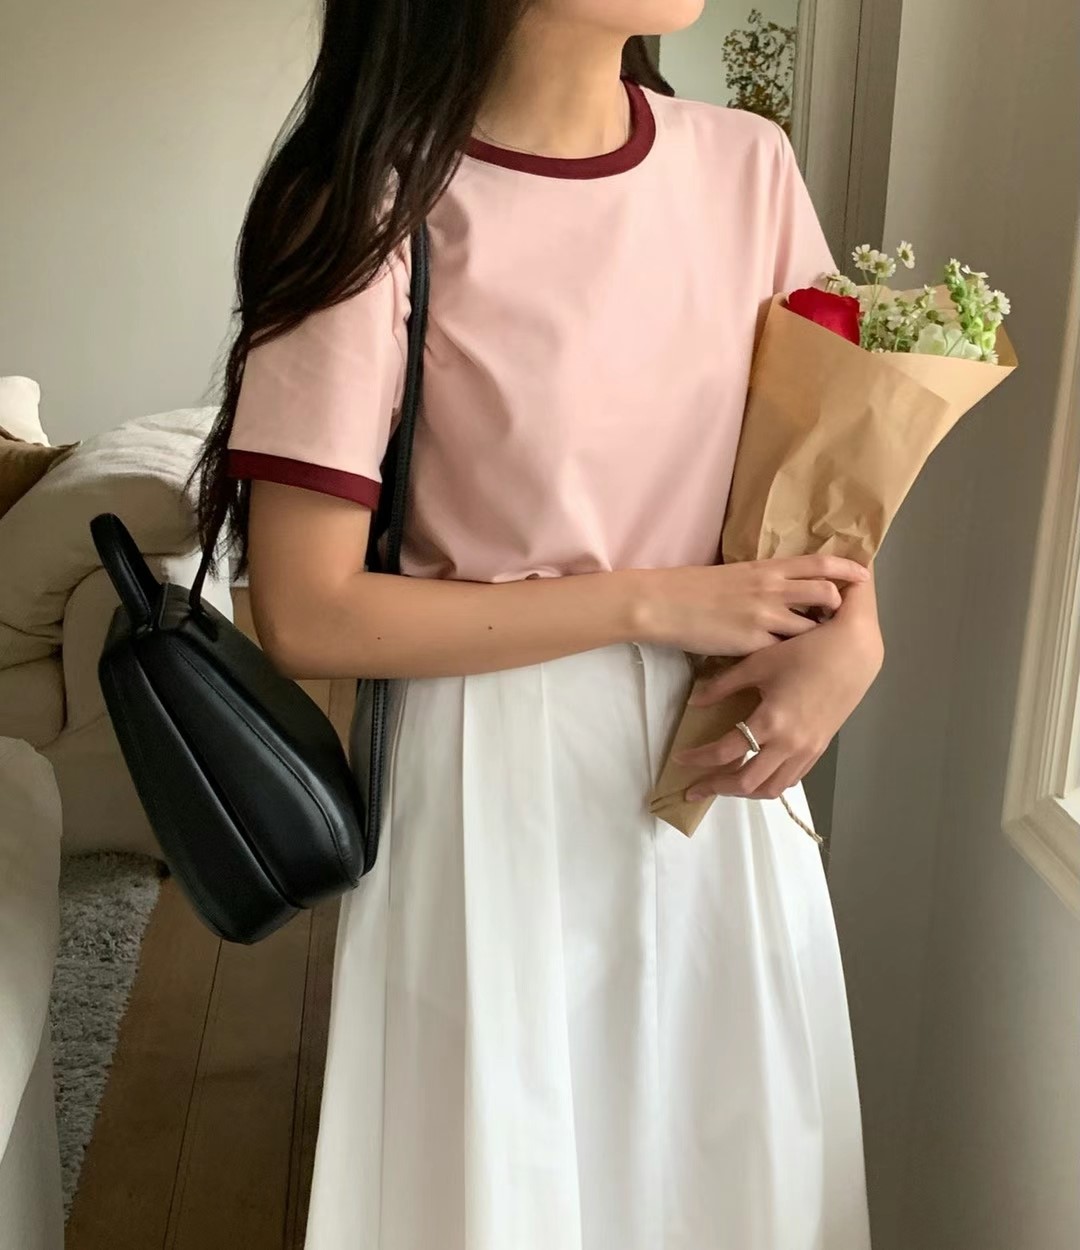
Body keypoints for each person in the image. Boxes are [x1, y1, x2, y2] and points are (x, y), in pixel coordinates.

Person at [194, 3, 881, 1246]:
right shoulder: (369, 201)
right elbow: (305, 608)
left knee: (730, 1172)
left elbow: (824, 478)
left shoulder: (749, 168)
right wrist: (648, 599)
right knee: (509, 1186)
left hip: (725, 773)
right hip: (493, 780)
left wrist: (853, 636)